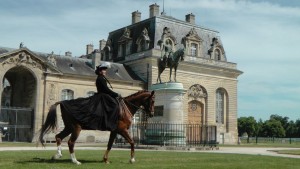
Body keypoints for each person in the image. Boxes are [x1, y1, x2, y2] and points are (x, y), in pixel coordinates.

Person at [59, 62, 121, 131]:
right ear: (100, 71)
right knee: (114, 105)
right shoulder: (100, 78)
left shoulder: (102, 78)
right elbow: (106, 89)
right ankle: (110, 123)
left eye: (105, 70)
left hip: (102, 95)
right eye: (104, 70)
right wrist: (116, 94)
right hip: (102, 96)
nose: (105, 71)